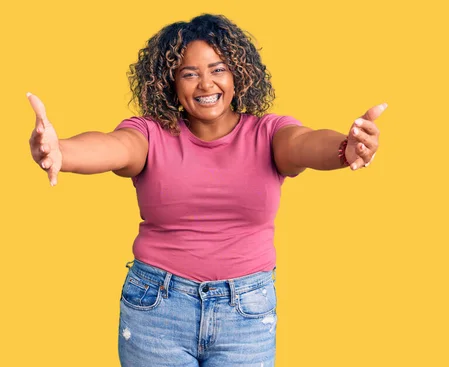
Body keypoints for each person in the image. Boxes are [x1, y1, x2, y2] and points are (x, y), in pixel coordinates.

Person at [27, 13, 386, 367]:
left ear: (238, 75)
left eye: (218, 69)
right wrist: (62, 151)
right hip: (157, 308)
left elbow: (305, 143)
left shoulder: (267, 134)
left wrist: (346, 148)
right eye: (189, 73)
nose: (205, 84)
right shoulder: (151, 134)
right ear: (170, 82)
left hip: (246, 313)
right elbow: (114, 146)